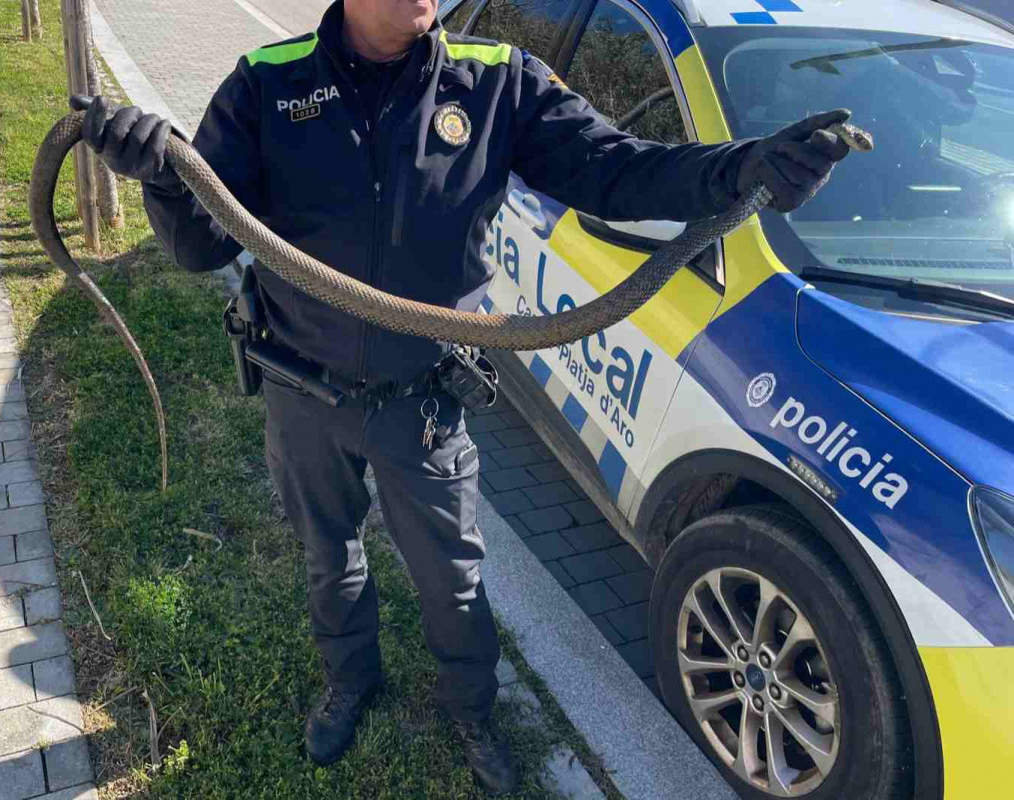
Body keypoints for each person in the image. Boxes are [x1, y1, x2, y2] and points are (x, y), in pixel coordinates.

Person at [78, 0, 853, 793]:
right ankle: (351, 679)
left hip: (422, 401)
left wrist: (742, 168)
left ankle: (470, 708)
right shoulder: (267, 85)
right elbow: (202, 245)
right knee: (328, 555)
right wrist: (163, 181)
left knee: (453, 579)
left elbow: (617, 169)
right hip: (300, 390)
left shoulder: (494, 82)